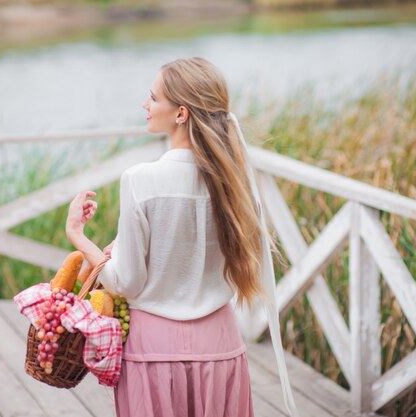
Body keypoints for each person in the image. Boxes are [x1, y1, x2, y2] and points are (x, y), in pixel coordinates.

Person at [65, 57, 298, 417]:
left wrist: (78, 236)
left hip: (153, 351)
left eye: (154, 97)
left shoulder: (140, 179)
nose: (145, 104)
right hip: (220, 345)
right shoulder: (233, 182)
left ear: (181, 114)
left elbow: (126, 282)